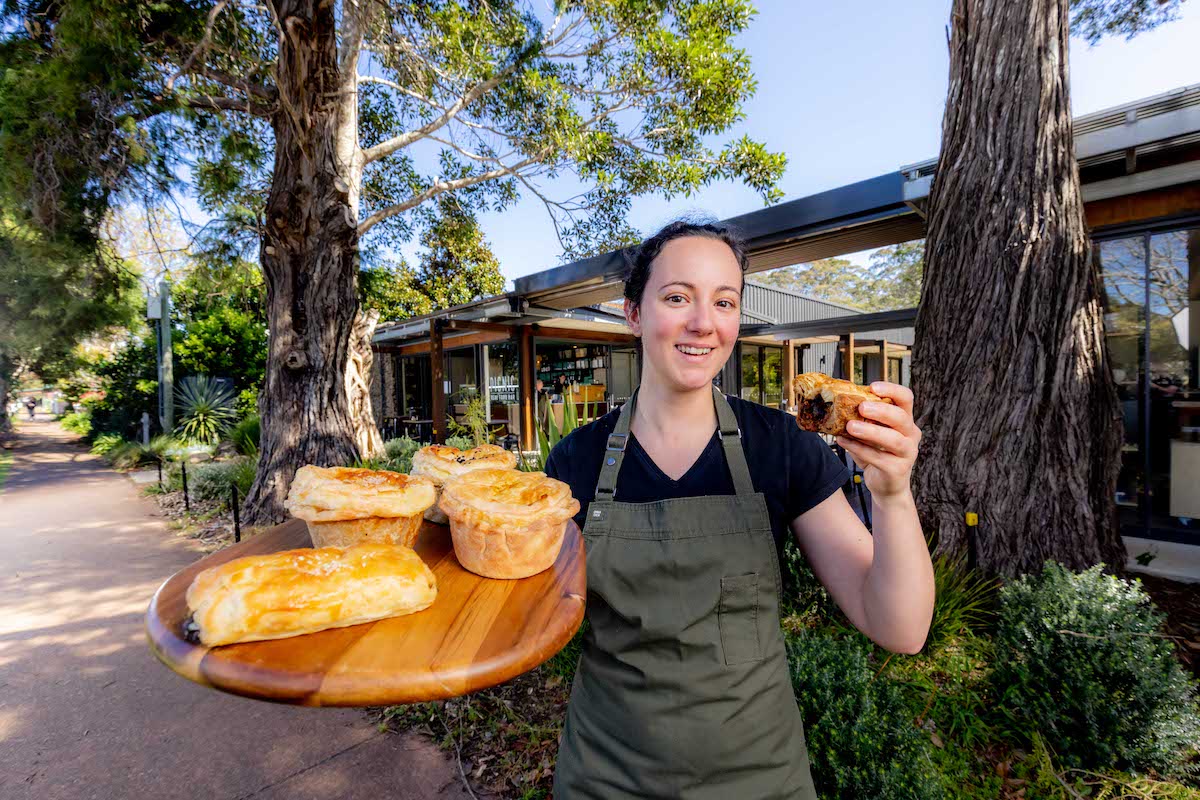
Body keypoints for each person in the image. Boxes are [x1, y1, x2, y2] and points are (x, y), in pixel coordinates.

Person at [545, 220, 934, 799]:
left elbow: (899, 628)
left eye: (724, 301)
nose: (703, 322)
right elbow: (522, 615)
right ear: (633, 313)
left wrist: (893, 493)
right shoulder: (577, 460)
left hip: (759, 778)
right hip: (606, 777)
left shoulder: (780, 446)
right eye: (678, 297)